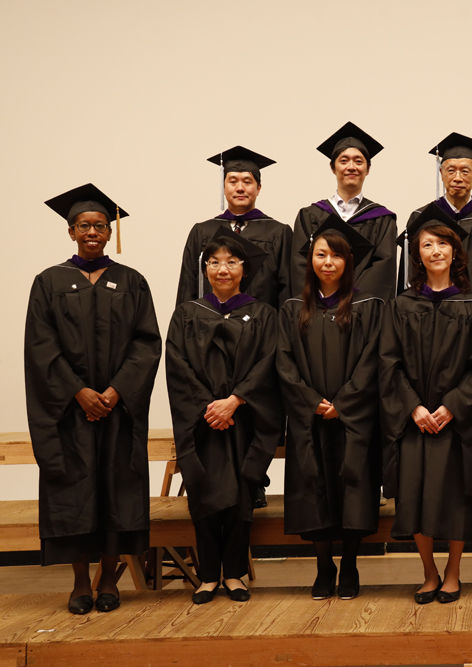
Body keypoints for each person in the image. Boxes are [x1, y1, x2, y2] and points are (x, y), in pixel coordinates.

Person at [27, 184, 161, 614]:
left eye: (100, 226)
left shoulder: (132, 281)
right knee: (76, 492)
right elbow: (41, 347)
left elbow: (146, 344)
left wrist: (115, 390)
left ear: (110, 232)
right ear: (70, 231)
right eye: (84, 225)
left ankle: (109, 577)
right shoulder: (48, 282)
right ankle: (80, 580)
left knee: (116, 489)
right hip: (71, 414)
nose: (92, 232)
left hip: (117, 410)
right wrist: (79, 391)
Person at [380, 207, 472, 604]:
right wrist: (413, 408)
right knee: (414, 497)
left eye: (443, 243)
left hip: (454, 423)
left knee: (457, 498)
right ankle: (428, 572)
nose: (436, 250)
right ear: (418, 254)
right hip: (415, 422)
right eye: (427, 244)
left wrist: (451, 407)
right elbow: (388, 362)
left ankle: (454, 572)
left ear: (455, 252)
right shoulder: (401, 305)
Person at [166, 229, 282, 605]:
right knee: (202, 497)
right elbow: (177, 366)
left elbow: (269, 364)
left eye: (231, 262)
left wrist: (235, 400)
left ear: (243, 269)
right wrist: (208, 406)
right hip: (202, 424)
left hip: (243, 420)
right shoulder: (187, 314)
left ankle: (233, 574)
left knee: (240, 497)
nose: (223, 269)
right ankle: (207, 576)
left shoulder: (263, 314)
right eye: (214, 262)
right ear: (205, 269)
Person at [401, 132, 472, 506]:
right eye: (450, 169)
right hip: (430, 330)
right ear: (441, 172)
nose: (457, 176)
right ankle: (435, 474)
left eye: (465, 170)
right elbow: (411, 278)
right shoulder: (422, 218)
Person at [278, 217, 383, 600]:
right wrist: (311, 402)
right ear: (310, 260)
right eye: (321, 254)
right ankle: (324, 566)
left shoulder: (369, 308)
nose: (328, 262)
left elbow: (373, 361)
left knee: (352, 488)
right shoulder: (292, 309)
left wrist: (345, 403)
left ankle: (351, 565)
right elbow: (284, 363)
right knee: (314, 489)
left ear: (348, 261)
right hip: (311, 420)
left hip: (351, 420)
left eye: (336, 255)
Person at [291, 122, 397, 301]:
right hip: (318, 310)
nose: (351, 167)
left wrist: (352, 302)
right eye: (344, 160)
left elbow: (382, 268)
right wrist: (323, 301)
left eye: (358, 161)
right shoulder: (309, 216)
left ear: (367, 169)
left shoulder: (382, 219)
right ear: (333, 168)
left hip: (361, 312)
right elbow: (300, 264)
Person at [176, 146, 293, 309]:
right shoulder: (202, 232)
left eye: (247, 181)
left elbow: (287, 292)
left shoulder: (278, 233)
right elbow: (187, 288)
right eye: (232, 181)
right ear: (223, 187)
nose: (240, 188)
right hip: (209, 329)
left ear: (258, 188)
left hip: (262, 329)